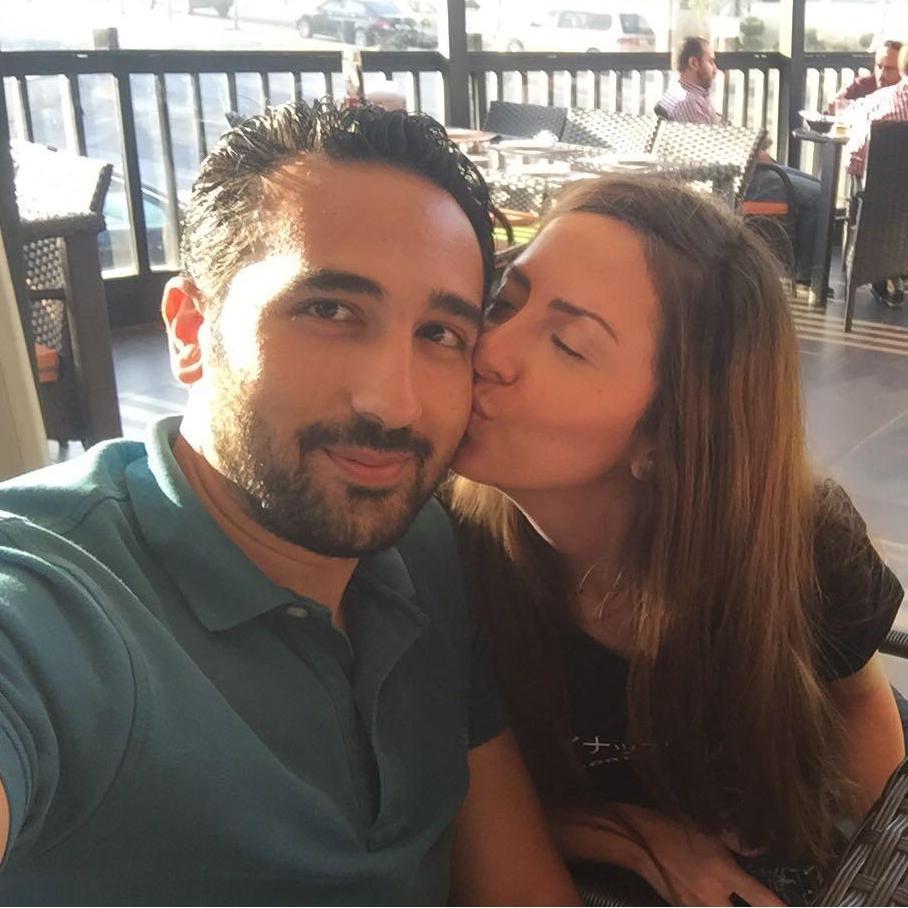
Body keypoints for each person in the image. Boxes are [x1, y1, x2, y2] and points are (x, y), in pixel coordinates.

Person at [0, 101, 579, 905]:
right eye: (329, 311)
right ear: (191, 331)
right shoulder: (57, 604)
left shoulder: (423, 548)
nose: (394, 403)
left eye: (440, 333)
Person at [449, 175, 905, 906]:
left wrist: (872, 875)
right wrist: (634, 837)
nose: (488, 349)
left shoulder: (797, 535)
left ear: (666, 437)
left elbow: (855, 705)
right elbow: (461, 806)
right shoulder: (442, 556)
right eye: (505, 301)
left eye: (567, 344)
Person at [657, 36, 822, 286]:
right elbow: (713, 152)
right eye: (711, 61)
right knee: (817, 195)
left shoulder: (683, 95)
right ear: (693, 63)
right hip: (734, 182)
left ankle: (805, 273)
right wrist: (755, 152)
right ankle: (807, 279)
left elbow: (716, 139)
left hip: (737, 172)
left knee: (816, 185)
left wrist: (754, 145)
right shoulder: (687, 102)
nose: (715, 69)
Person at [846, 42, 908, 307]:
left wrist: (855, 172)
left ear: (902, 68)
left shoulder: (879, 102)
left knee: (867, 192)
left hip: (883, 208)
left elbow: (855, 160)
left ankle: (883, 273)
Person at [826, 40, 903, 113]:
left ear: (903, 70)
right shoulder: (860, 86)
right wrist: (834, 107)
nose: (882, 74)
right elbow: (834, 107)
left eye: (890, 69)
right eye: (879, 66)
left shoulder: (905, 94)